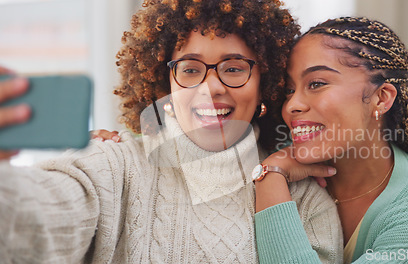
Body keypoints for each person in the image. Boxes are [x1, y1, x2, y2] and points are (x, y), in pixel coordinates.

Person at [0, 1, 344, 263]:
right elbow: (32, 224)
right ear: (164, 83)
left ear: (265, 83)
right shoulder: (114, 164)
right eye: (191, 69)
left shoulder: (303, 200)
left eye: (234, 68)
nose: (211, 87)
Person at [252, 17, 408, 263]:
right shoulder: (281, 160)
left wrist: (269, 177)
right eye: (289, 90)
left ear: (381, 98)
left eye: (316, 83)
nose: (292, 105)